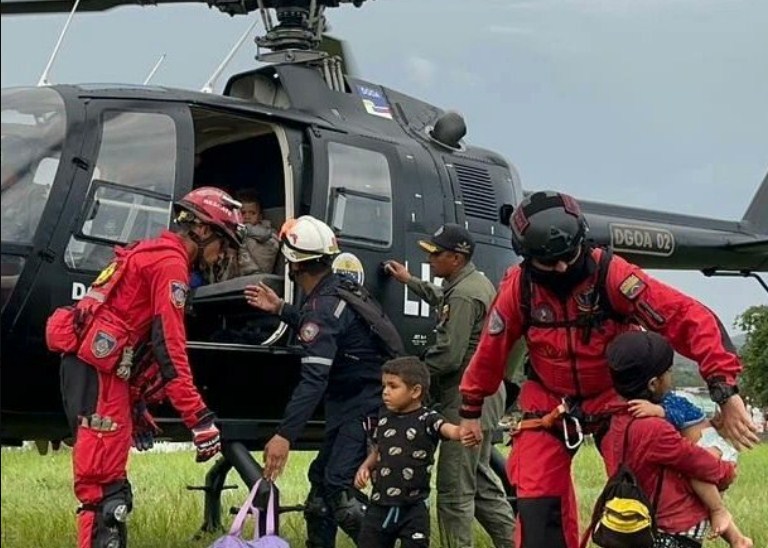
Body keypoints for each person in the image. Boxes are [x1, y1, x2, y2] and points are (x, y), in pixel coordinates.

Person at [457, 191, 758, 548]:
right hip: (551, 400)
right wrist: (471, 408)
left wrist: (724, 388)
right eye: (549, 263)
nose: (563, 269)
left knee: (641, 494)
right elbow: (491, 350)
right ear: (527, 259)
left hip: (616, 398)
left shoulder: (613, 276)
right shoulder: (518, 289)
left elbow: (687, 318)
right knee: (538, 502)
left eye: (569, 256)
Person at [50, 186, 245, 548]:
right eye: (224, 242)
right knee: (105, 495)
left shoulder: (149, 251)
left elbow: (131, 333)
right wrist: (199, 419)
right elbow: (169, 348)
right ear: (202, 231)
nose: (223, 254)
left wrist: (136, 402)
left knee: (109, 487)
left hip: (95, 372)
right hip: (99, 374)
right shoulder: (170, 265)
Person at [243, 215, 392, 547]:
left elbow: (314, 379)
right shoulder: (340, 288)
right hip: (356, 402)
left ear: (294, 266)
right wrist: (283, 309)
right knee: (321, 488)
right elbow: (328, 334)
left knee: (340, 488)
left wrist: (284, 436)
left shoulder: (322, 306)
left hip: (361, 407)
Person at [385, 223, 515, 548]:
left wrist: (410, 378)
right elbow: (442, 297)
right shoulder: (472, 283)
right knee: (480, 482)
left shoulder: (465, 294)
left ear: (456, 258)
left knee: (454, 489)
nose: (430, 261)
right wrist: (409, 282)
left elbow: (448, 356)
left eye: (436, 255)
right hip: (485, 394)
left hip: (465, 398)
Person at [603, 331, 752, 548]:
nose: (671, 378)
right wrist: (726, 471)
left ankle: (735, 536)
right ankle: (727, 523)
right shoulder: (653, 428)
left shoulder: (614, 424)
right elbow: (695, 461)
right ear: (653, 384)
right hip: (673, 530)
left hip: (639, 527)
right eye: (669, 372)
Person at [355, 356, 464, 548]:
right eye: (384, 386)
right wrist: (365, 467)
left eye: (393, 386)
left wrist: (462, 431)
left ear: (415, 391)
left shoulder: (428, 419)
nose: (385, 392)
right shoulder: (384, 419)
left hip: (413, 508)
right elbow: (380, 449)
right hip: (379, 505)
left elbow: (447, 429)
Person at [627, 380, 750, 546]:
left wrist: (657, 410)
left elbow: (676, 414)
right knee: (705, 501)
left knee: (702, 485)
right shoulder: (679, 402)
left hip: (711, 448)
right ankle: (737, 539)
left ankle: (720, 513)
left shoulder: (674, 401)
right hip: (708, 446)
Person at [235, 189, 280, 275]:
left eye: (252, 213)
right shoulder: (232, 233)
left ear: (260, 216)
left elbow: (268, 255)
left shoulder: (269, 233)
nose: (247, 216)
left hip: (258, 276)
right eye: (243, 213)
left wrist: (246, 231)